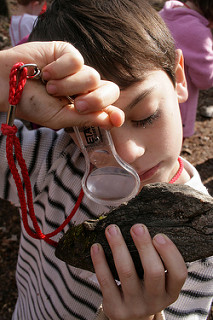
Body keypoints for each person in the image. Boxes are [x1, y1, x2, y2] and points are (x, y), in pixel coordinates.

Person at [0, 1, 212, 319]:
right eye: (90, 131)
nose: (128, 154)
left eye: (144, 116)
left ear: (179, 78)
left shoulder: (199, 233)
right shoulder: (42, 163)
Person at [159, 0, 213, 138]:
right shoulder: (199, 33)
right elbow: (205, 80)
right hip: (179, 106)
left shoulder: (166, 12)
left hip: (155, 98)